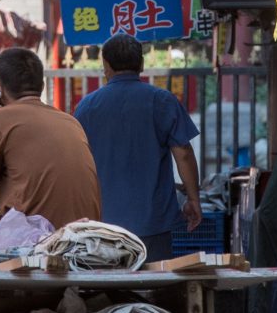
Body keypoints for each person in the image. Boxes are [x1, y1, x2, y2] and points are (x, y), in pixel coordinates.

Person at [72, 34, 203, 263]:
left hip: (103, 225)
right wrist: (193, 199)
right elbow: (183, 153)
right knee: (153, 289)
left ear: (106, 66)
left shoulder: (87, 107)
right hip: (153, 222)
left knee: (104, 292)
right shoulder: (162, 101)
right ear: (141, 64)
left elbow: (76, 162)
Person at [0, 47, 102, 232]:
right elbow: (37, 208)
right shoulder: (70, 121)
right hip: (85, 239)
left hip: (40, 247)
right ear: (41, 87)